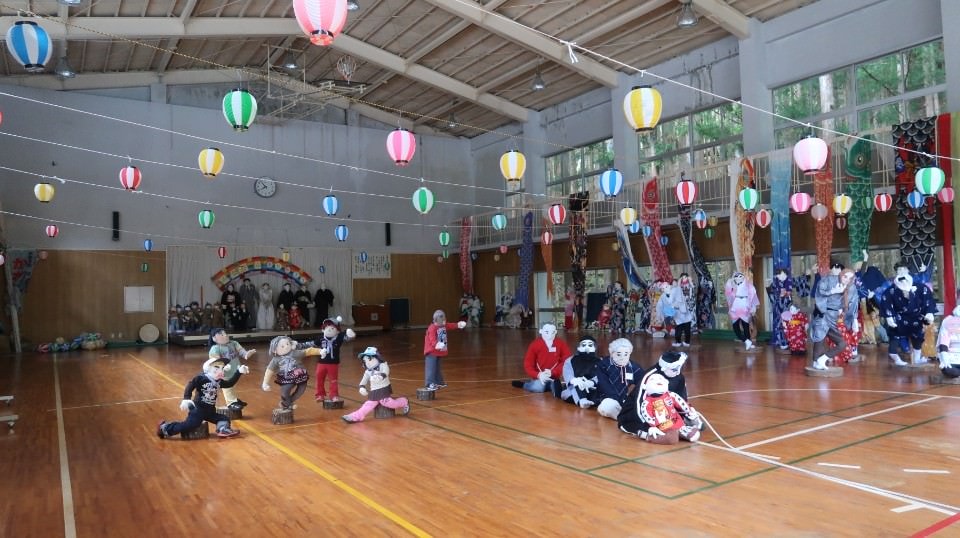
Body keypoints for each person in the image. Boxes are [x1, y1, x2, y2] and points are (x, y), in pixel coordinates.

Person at [157, 356, 245, 439]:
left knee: (224, 418)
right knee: (191, 424)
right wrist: (186, 398)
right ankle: (165, 428)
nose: (220, 371)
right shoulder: (201, 378)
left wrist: (238, 372)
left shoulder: (218, 381)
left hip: (210, 410)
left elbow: (229, 383)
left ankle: (223, 430)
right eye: (216, 368)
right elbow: (191, 384)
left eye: (222, 368)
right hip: (198, 409)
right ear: (208, 369)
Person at [882, 262, 937, 366]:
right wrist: (889, 316)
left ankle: (917, 358)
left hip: (916, 317)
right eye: (899, 270)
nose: (902, 272)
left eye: (904, 269)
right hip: (899, 317)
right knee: (894, 335)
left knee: (918, 336)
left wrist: (929, 313)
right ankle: (895, 358)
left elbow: (928, 299)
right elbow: (886, 302)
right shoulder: (891, 290)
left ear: (908, 271)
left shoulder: (920, 287)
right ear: (896, 272)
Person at [342, 347, 410, 423]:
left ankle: (404, 401)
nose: (367, 362)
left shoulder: (383, 365)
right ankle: (355, 416)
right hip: (374, 391)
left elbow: (386, 372)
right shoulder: (368, 371)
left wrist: (380, 376)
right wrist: (362, 387)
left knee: (388, 403)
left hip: (383, 389)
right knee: (368, 405)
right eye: (365, 360)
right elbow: (363, 381)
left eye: (369, 359)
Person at [810, 261, 852, 370]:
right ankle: (816, 361)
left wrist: (843, 310)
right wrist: (833, 291)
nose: (836, 270)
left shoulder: (846, 286)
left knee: (841, 343)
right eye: (834, 267)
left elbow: (847, 303)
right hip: (823, 314)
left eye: (839, 268)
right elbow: (820, 292)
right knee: (819, 339)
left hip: (833, 317)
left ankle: (821, 359)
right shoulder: (825, 280)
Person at [261, 335, 321, 410]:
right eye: (282, 346)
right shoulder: (276, 359)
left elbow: (308, 351)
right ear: (274, 350)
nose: (286, 347)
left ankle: (286, 403)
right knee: (285, 391)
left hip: (300, 375)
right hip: (287, 377)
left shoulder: (295, 353)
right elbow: (269, 370)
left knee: (301, 389)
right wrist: (265, 383)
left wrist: (320, 351)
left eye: (287, 344)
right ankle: (287, 403)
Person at [511, 323, 570, 396]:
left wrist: (554, 372)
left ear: (556, 332)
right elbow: (528, 363)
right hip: (539, 377)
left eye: (553, 332)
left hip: (554, 376)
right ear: (541, 331)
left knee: (557, 390)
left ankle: (551, 385)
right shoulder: (535, 344)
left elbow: (566, 361)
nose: (550, 335)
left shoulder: (561, 344)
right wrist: (538, 375)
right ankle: (524, 385)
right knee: (537, 388)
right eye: (547, 332)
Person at [307, 317, 356, 402]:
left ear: (337, 330)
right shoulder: (321, 338)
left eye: (332, 328)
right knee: (319, 378)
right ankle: (320, 395)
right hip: (321, 363)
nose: (329, 330)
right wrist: (297, 345)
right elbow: (310, 344)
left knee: (333, 380)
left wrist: (350, 335)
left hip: (333, 363)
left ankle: (334, 395)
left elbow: (348, 338)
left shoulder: (339, 337)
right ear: (323, 329)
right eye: (327, 328)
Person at [207, 328, 256, 412]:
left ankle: (234, 400)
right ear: (214, 338)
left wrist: (246, 354)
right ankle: (231, 403)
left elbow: (241, 351)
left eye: (225, 333)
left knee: (232, 385)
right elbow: (215, 361)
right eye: (221, 334)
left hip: (235, 369)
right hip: (223, 372)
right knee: (227, 387)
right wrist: (221, 367)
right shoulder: (215, 348)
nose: (225, 335)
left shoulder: (234, 343)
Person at [595, 338, 643, 419]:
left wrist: (632, 398)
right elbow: (604, 385)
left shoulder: (634, 367)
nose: (622, 357)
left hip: (625, 399)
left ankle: (629, 416)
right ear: (612, 353)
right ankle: (625, 418)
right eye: (618, 354)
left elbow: (642, 383)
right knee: (606, 407)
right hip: (607, 398)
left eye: (626, 354)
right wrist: (618, 400)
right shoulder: (603, 365)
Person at [423, 309, 467, 391]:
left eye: (444, 320)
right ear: (437, 320)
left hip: (439, 351)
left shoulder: (442, 325)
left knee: (437, 367)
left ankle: (439, 382)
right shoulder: (432, 328)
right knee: (431, 368)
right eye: (442, 321)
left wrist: (458, 325)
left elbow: (450, 325)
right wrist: (436, 344)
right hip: (431, 352)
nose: (444, 322)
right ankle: (429, 384)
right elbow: (431, 339)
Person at [560, 335, 602, 408]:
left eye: (590, 345)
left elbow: (602, 375)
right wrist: (575, 380)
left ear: (595, 348)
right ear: (579, 348)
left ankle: (593, 401)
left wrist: (592, 382)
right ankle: (581, 400)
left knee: (601, 393)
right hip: (576, 386)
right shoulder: (570, 360)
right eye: (584, 345)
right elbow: (567, 374)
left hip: (592, 387)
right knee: (574, 389)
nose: (587, 347)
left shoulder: (600, 361)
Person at [724, 272, 759, 351]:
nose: (739, 277)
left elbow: (753, 295)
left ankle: (748, 342)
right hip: (737, 305)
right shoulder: (732, 283)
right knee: (736, 326)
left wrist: (753, 307)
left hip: (744, 304)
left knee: (745, 325)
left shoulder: (748, 284)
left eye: (740, 276)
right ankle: (747, 341)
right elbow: (729, 295)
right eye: (737, 276)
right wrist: (730, 305)